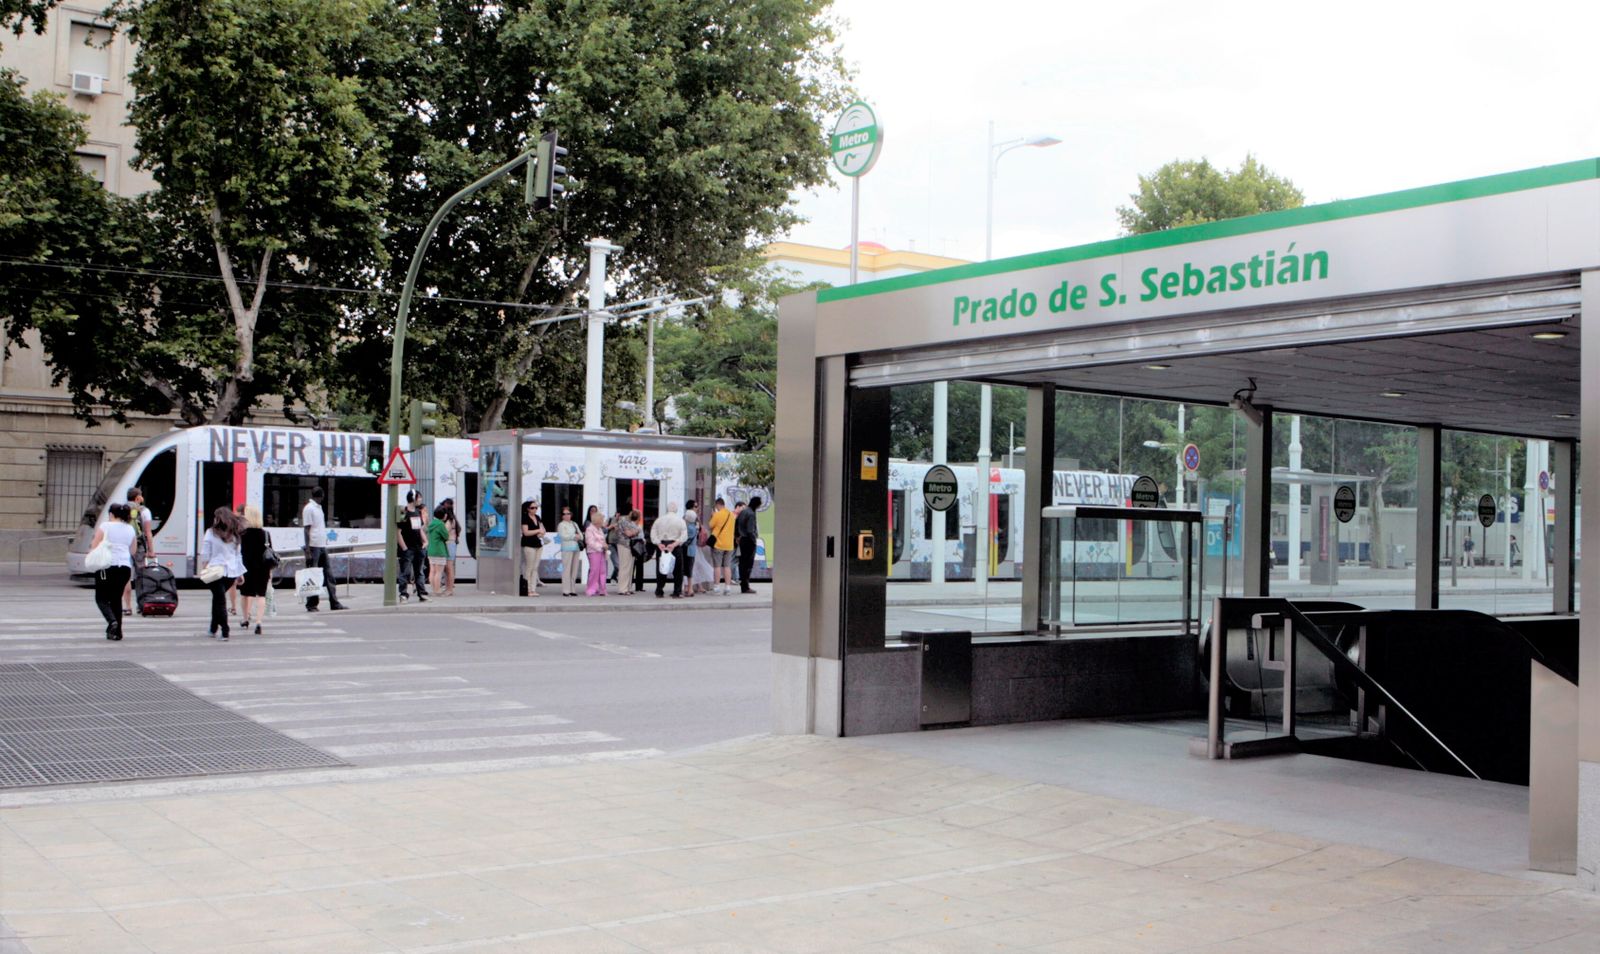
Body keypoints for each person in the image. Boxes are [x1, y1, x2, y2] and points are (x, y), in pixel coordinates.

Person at [89, 502, 136, 640]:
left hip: (107, 567)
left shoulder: (105, 526)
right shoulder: (130, 528)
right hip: (124, 568)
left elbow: (94, 545)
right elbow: (133, 550)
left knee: (101, 598)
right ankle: (117, 632)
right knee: (116, 599)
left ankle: (112, 621)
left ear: (111, 514)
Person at [198, 506, 244, 640]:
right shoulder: (234, 534)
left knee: (220, 601)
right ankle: (213, 628)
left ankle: (225, 630)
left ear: (218, 519)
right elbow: (238, 555)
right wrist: (240, 573)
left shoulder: (211, 532)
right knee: (218, 599)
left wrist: (204, 568)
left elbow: (205, 552)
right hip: (230, 573)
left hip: (215, 571)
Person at [301, 487, 345, 611]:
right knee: (313, 576)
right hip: (313, 546)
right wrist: (308, 550)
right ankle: (311, 604)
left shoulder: (318, 508)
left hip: (321, 545)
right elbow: (306, 529)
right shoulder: (309, 508)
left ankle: (334, 602)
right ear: (320, 496)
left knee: (328, 575)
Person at [121, 487, 155, 615]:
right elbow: (148, 532)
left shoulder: (122, 509)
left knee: (125, 576)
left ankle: (127, 607)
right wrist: (151, 550)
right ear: (137, 498)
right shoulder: (144, 511)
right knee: (140, 575)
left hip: (124, 545)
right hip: (139, 546)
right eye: (141, 495)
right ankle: (141, 605)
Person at [239, 505, 271, 635]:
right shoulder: (265, 534)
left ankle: (245, 619)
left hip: (246, 569)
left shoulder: (242, 534)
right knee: (261, 595)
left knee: (245, 594)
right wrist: (270, 571)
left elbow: (239, 553)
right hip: (263, 569)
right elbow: (270, 554)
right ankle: (259, 622)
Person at [397, 490, 429, 603]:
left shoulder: (417, 512)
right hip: (408, 548)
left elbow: (419, 529)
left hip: (419, 547)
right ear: (413, 498)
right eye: (419, 497)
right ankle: (403, 595)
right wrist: (404, 548)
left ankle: (422, 593)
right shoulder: (403, 512)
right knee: (405, 572)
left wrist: (425, 541)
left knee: (419, 572)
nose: (420, 499)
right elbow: (398, 532)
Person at [651, 501, 688, 598]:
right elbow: (684, 536)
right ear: (676, 510)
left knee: (661, 568)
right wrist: (675, 544)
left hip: (662, 545)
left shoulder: (659, 520)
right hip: (675, 546)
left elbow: (653, 533)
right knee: (678, 570)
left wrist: (658, 543)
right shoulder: (680, 520)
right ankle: (677, 592)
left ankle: (659, 591)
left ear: (667, 509)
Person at [708, 497, 735, 594]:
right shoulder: (731, 515)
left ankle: (716, 587)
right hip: (729, 545)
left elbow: (710, 525)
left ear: (717, 505)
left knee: (717, 566)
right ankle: (727, 588)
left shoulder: (717, 515)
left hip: (718, 544)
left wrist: (713, 516)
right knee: (727, 566)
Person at [735, 496, 761, 594]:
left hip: (742, 540)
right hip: (749, 541)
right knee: (748, 565)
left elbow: (736, 524)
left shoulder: (743, 511)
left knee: (742, 563)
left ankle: (743, 585)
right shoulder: (751, 514)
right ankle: (746, 587)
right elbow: (750, 530)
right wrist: (754, 540)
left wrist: (737, 536)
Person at [520, 500, 545, 597]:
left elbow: (543, 530)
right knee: (529, 567)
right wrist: (538, 531)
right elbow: (526, 532)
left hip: (538, 544)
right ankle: (527, 589)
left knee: (535, 568)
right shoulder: (525, 518)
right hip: (528, 544)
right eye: (532, 508)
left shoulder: (537, 517)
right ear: (527, 509)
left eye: (536, 508)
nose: (535, 509)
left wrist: (541, 532)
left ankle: (533, 589)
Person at [556, 505, 582, 596]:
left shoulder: (574, 524)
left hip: (576, 548)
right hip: (567, 548)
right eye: (565, 514)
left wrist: (577, 536)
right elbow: (563, 536)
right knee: (566, 569)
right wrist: (574, 536)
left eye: (568, 513)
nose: (567, 515)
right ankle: (566, 590)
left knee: (574, 569)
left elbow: (581, 535)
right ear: (562, 516)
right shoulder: (561, 525)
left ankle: (572, 589)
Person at [614, 509, 641, 595]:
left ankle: (628, 587)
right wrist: (636, 531)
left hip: (630, 546)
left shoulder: (630, 521)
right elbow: (629, 533)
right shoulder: (623, 520)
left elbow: (636, 531)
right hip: (624, 545)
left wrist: (635, 531)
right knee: (624, 567)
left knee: (630, 568)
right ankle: (622, 589)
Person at [427, 505, 451, 597]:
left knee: (432, 571)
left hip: (431, 550)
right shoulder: (440, 524)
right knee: (438, 572)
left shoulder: (432, 523)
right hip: (439, 550)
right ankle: (437, 590)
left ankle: (434, 589)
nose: (446, 515)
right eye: (445, 514)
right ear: (443, 515)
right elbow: (446, 536)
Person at [584, 509, 609, 596]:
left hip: (602, 552)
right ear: (598, 520)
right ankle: (591, 589)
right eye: (602, 519)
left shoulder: (600, 529)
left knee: (602, 571)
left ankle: (602, 589)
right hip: (593, 552)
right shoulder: (589, 529)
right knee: (594, 571)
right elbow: (590, 542)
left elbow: (603, 540)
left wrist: (605, 545)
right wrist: (601, 546)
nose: (603, 521)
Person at [441, 498, 460, 596]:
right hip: (451, 544)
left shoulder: (449, 521)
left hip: (449, 544)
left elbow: (444, 533)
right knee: (448, 568)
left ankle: (449, 589)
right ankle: (448, 588)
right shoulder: (453, 520)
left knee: (449, 567)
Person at [681, 500, 700, 598]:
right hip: (692, 549)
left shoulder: (685, 524)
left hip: (684, 548)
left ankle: (687, 588)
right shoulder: (695, 525)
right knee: (689, 569)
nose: (697, 508)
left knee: (684, 569)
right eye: (695, 506)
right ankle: (690, 588)